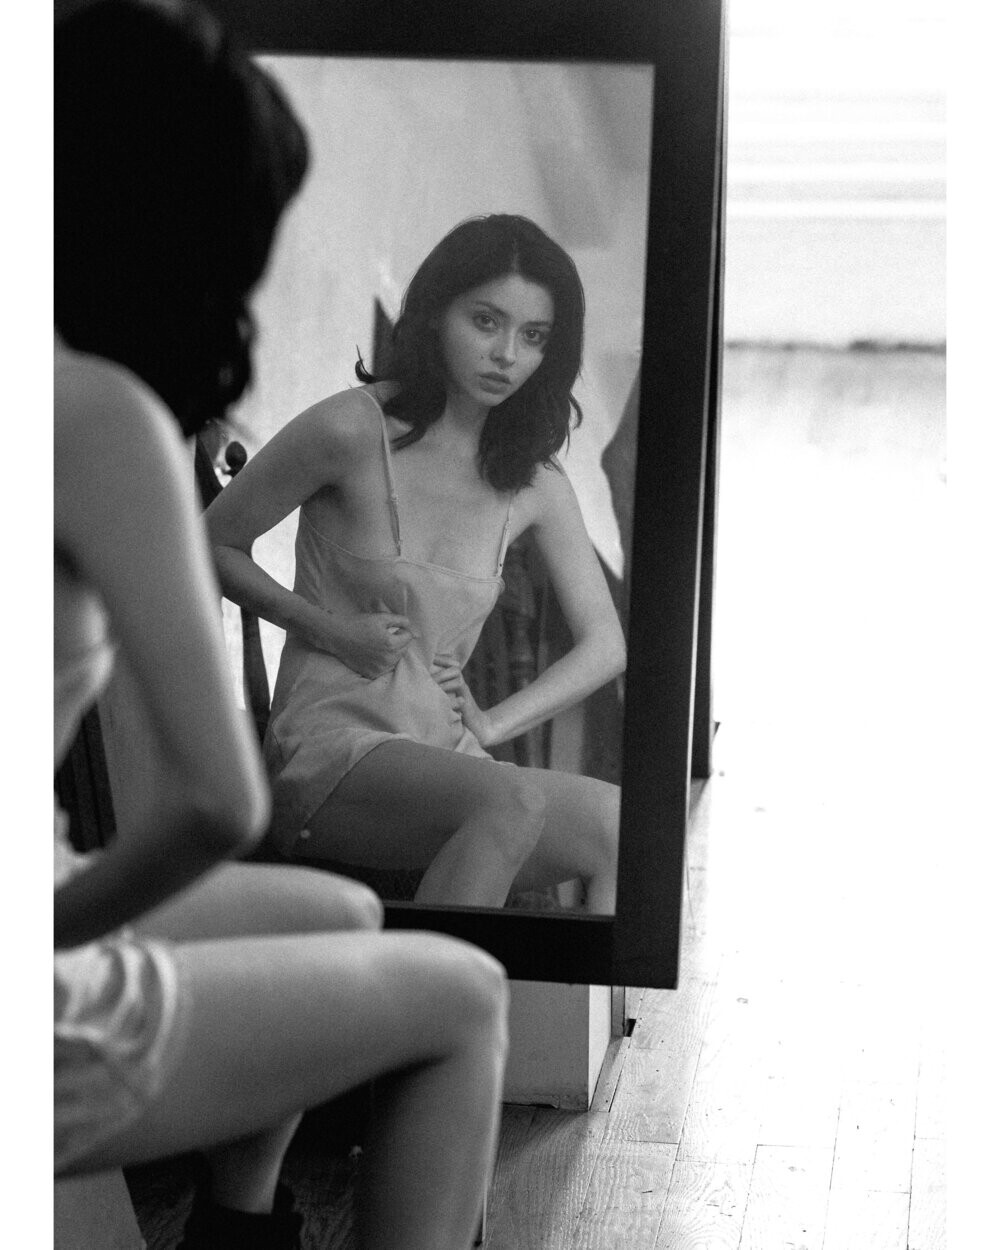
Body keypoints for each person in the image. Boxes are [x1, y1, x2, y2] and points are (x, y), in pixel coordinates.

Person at [54, 5, 508, 1248]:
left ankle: (237, 1224)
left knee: (340, 918)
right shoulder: (92, 413)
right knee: (464, 992)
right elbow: (218, 802)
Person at [205, 213, 627, 913]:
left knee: (620, 828)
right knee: (511, 799)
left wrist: (493, 724)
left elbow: (606, 644)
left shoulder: (535, 482)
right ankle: (433, 983)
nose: (506, 355)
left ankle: (554, 990)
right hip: (329, 744)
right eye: (486, 322)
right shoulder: (350, 427)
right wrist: (325, 628)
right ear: (435, 314)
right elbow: (210, 542)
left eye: (533, 337)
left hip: (448, 753)